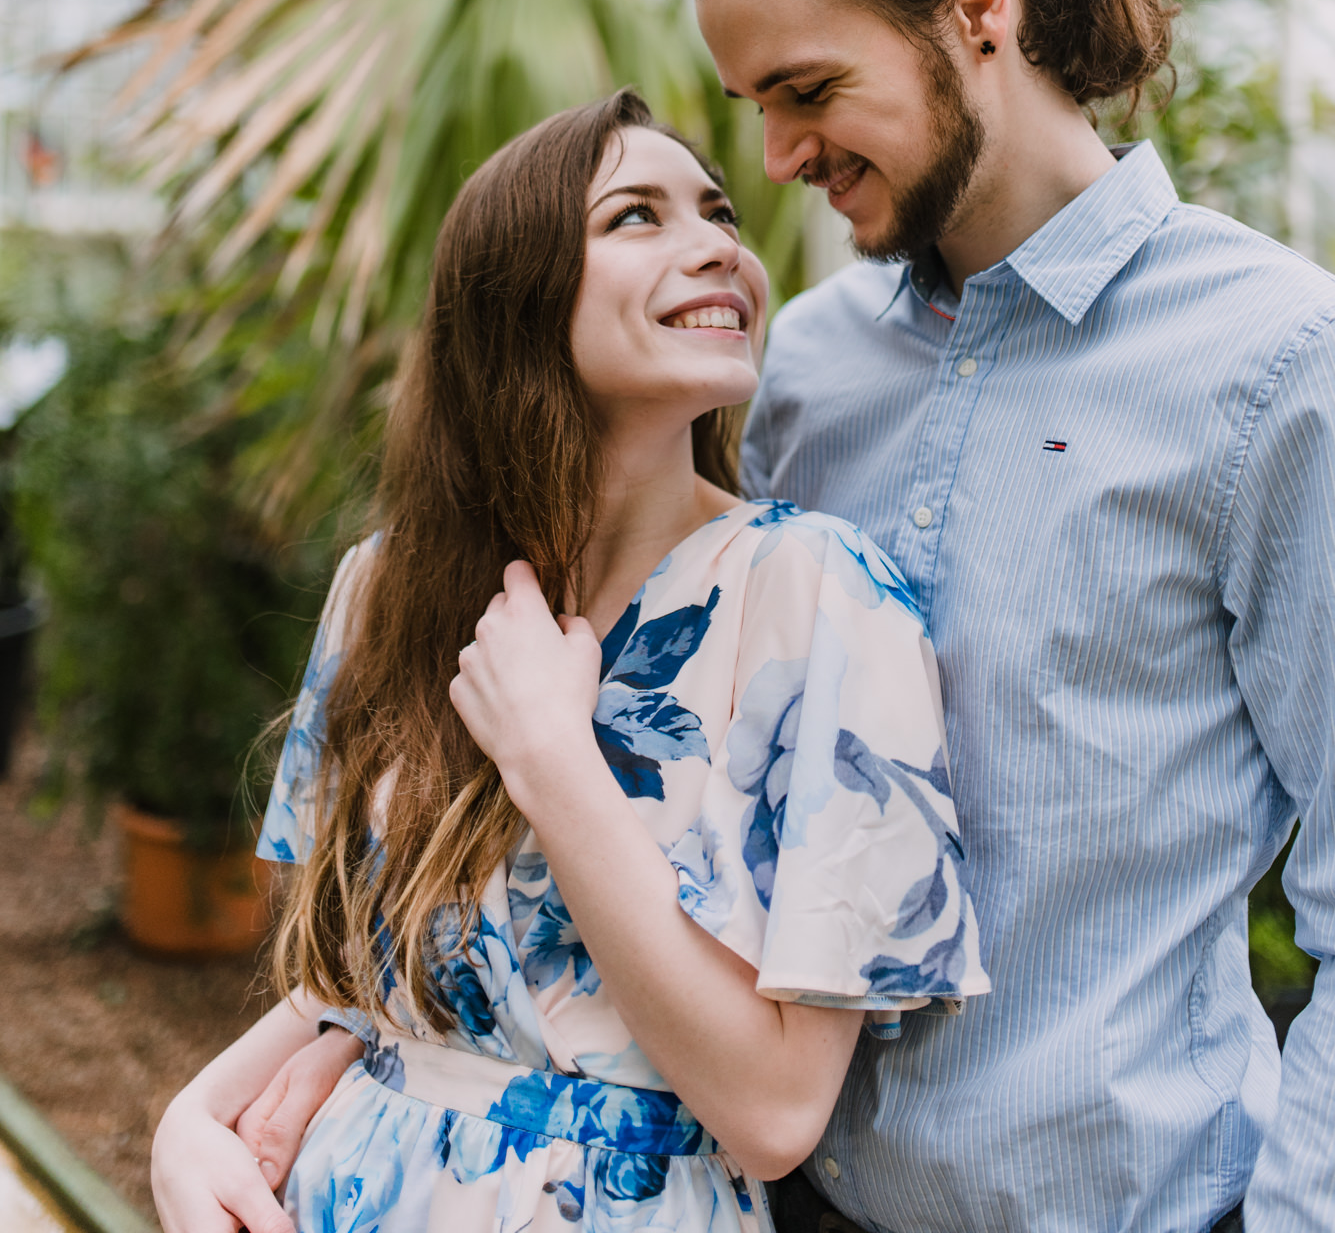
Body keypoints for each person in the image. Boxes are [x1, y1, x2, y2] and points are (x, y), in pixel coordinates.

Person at [681, 0, 1335, 1233]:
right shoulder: (806, 366)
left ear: (974, 5)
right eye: (756, 107)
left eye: (807, 91)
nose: (778, 159)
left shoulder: (1275, 362)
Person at [151, 89, 987, 1233]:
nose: (719, 248)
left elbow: (776, 1109)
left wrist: (555, 756)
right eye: (638, 215)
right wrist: (189, 1121)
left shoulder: (818, 593)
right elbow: (356, 982)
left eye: (719, 212)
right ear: (518, 297)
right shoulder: (388, 586)